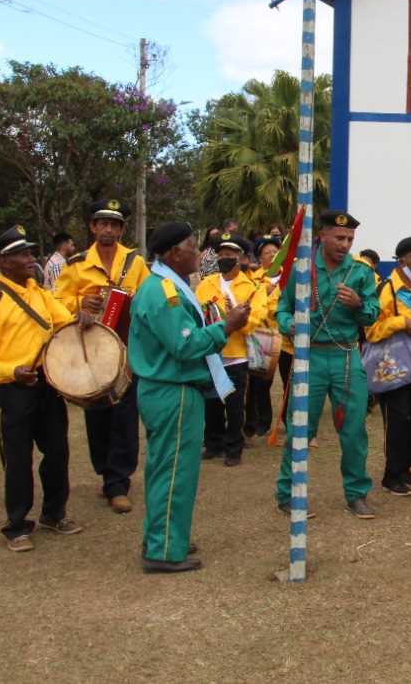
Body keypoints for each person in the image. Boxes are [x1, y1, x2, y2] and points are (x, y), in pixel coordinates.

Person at [130, 222, 250, 573]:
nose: (199, 253)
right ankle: (164, 550)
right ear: (171, 253)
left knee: (165, 469)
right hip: (174, 390)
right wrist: (226, 326)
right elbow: (185, 344)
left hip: (167, 389)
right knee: (174, 472)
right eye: (191, 245)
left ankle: (166, 535)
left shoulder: (165, 285)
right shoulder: (164, 291)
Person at [0, 225, 84, 552]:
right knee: (18, 458)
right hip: (15, 388)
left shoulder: (39, 293)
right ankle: (17, 525)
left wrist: (82, 317)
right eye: (21, 254)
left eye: (30, 252)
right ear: (2, 262)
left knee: (58, 450)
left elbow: (64, 323)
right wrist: (11, 371)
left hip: (47, 383)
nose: (30, 259)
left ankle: (54, 513)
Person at [274, 210, 381, 518]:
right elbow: (282, 308)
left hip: (347, 356)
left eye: (349, 239)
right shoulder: (303, 268)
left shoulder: (360, 272)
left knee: (353, 430)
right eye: (339, 237)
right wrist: (290, 324)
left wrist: (359, 305)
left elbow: (373, 313)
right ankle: (287, 494)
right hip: (310, 357)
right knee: (300, 429)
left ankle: (357, 494)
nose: (345, 244)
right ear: (322, 236)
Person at [53, 199, 150, 514]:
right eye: (102, 223)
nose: (108, 229)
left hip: (127, 348)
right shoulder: (76, 264)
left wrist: (135, 302)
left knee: (124, 415)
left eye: (114, 224)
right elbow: (58, 302)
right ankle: (106, 472)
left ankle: (118, 483)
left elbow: (148, 296)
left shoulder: (135, 262)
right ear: (93, 227)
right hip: (92, 350)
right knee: (97, 415)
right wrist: (81, 305)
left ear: (121, 229)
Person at [367, 236, 411, 497]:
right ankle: (392, 474)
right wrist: (399, 322)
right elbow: (371, 330)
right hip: (396, 367)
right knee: (398, 422)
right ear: (402, 261)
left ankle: (406, 464)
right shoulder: (386, 289)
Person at [194, 234, 267, 465]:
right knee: (211, 404)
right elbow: (197, 313)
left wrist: (235, 313)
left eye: (231, 255)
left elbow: (254, 321)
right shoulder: (206, 283)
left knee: (234, 406)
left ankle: (233, 449)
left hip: (236, 356)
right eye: (222, 254)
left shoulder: (253, 286)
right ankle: (213, 444)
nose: (225, 258)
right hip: (211, 353)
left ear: (241, 257)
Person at [245, 236, 283, 438]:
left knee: (289, 382)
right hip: (260, 335)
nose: (272, 255)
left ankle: (288, 420)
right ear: (260, 257)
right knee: (259, 382)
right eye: (267, 252)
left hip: (285, 338)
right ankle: (258, 422)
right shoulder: (254, 278)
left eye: (275, 251)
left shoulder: (290, 275)